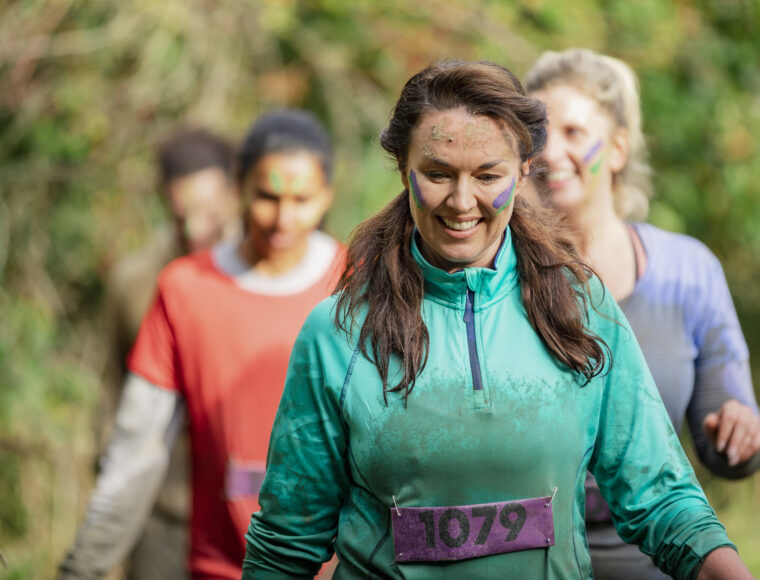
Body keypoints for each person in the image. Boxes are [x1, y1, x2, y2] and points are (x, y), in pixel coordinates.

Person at [242, 60, 755, 579]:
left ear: (524, 170)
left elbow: (663, 502)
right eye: (438, 173)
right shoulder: (338, 335)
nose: (463, 202)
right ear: (404, 170)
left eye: (488, 175)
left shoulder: (581, 311)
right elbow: (286, 543)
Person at [60, 109, 344, 580]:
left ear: (327, 195)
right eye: (267, 197)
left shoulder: (356, 285)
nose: (283, 218)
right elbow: (136, 450)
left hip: (332, 567)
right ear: (240, 188)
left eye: (302, 199)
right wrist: (83, 566)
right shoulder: (184, 289)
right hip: (215, 563)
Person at [524, 48, 760, 579]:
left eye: (573, 132)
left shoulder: (688, 271)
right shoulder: (496, 276)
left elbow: (724, 439)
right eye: (536, 135)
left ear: (619, 148)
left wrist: (740, 433)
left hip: (657, 564)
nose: (549, 152)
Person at [101, 126, 240, 580]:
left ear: (234, 193)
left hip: (247, 515)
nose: (195, 231)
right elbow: (111, 396)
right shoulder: (134, 284)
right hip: (159, 514)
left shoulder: (269, 276)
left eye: (208, 214)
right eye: (181, 216)